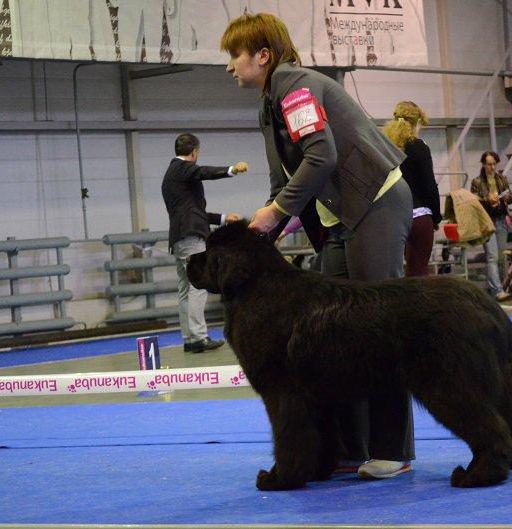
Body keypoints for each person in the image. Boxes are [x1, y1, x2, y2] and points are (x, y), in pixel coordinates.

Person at [220, 13, 415, 479]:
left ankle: (393, 450)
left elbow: (321, 154)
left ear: (262, 56)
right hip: (339, 219)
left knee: (380, 328)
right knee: (333, 335)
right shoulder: (269, 105)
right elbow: (281, 181)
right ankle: (348, 449)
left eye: (234, 55)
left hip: (376, 204)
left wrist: (276, 211)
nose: (228, 66)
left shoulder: (295, 87)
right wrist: (261, 230)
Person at [161, 133, 249, 353]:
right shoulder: (182, 168)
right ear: (194, 152)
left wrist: (223, 218)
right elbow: (203, 172)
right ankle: (199, 337)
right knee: (197, 286)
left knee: (185, 288)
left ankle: (190, 338)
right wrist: (232, 169)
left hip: (180, 237)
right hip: (191, 237)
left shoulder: (173, 176)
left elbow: (193, 211)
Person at [382, 101, 442, 276]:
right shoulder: (419, 147)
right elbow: (429, 186)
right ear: (417, 123)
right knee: (417, 273)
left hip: (392, 217)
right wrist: (436, 217)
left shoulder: (386, 146)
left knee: (391, 273)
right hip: (419, 215)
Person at [470, 151, 512, 301]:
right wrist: (487, 200)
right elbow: (473, 202)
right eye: (489, 164)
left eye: (494, 164)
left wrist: (507, 197)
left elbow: (511, 197)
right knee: (492, 256)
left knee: (500, 257)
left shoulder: (502, 179)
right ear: (483, 164)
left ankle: (498, 286)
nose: (492, 167)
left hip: (501, 219)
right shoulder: (477, 182)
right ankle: (497, 290)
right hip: (486, 221)